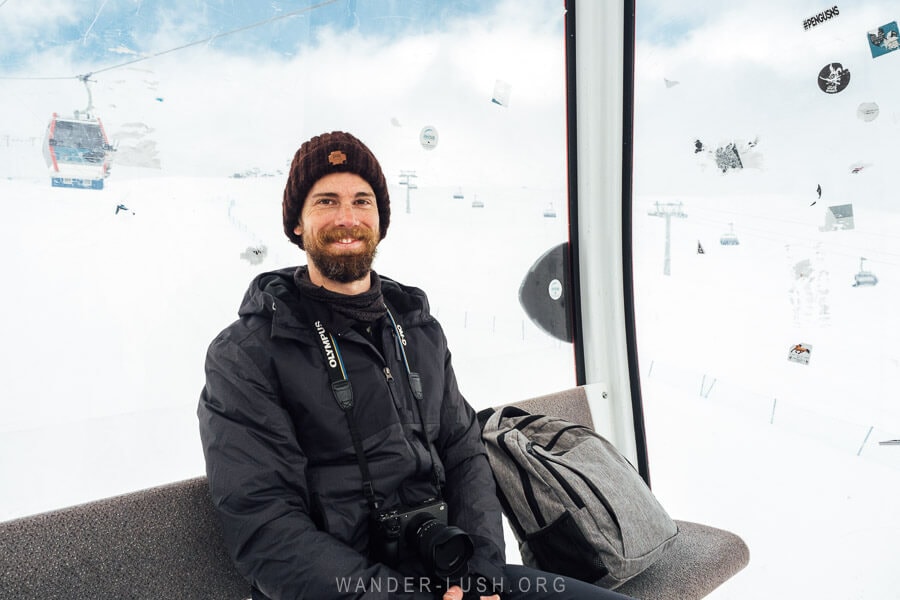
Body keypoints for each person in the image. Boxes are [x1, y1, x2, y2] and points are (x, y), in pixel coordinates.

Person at [198, 131, 636, 600]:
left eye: (362, 201)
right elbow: (266, 528)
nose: (347, 218)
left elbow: (464, 451)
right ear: (297, 224)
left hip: (450, 570)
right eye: (326, 201)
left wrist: (480, 569)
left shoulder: (417, 329)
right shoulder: (248, 353)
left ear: (380, 221)